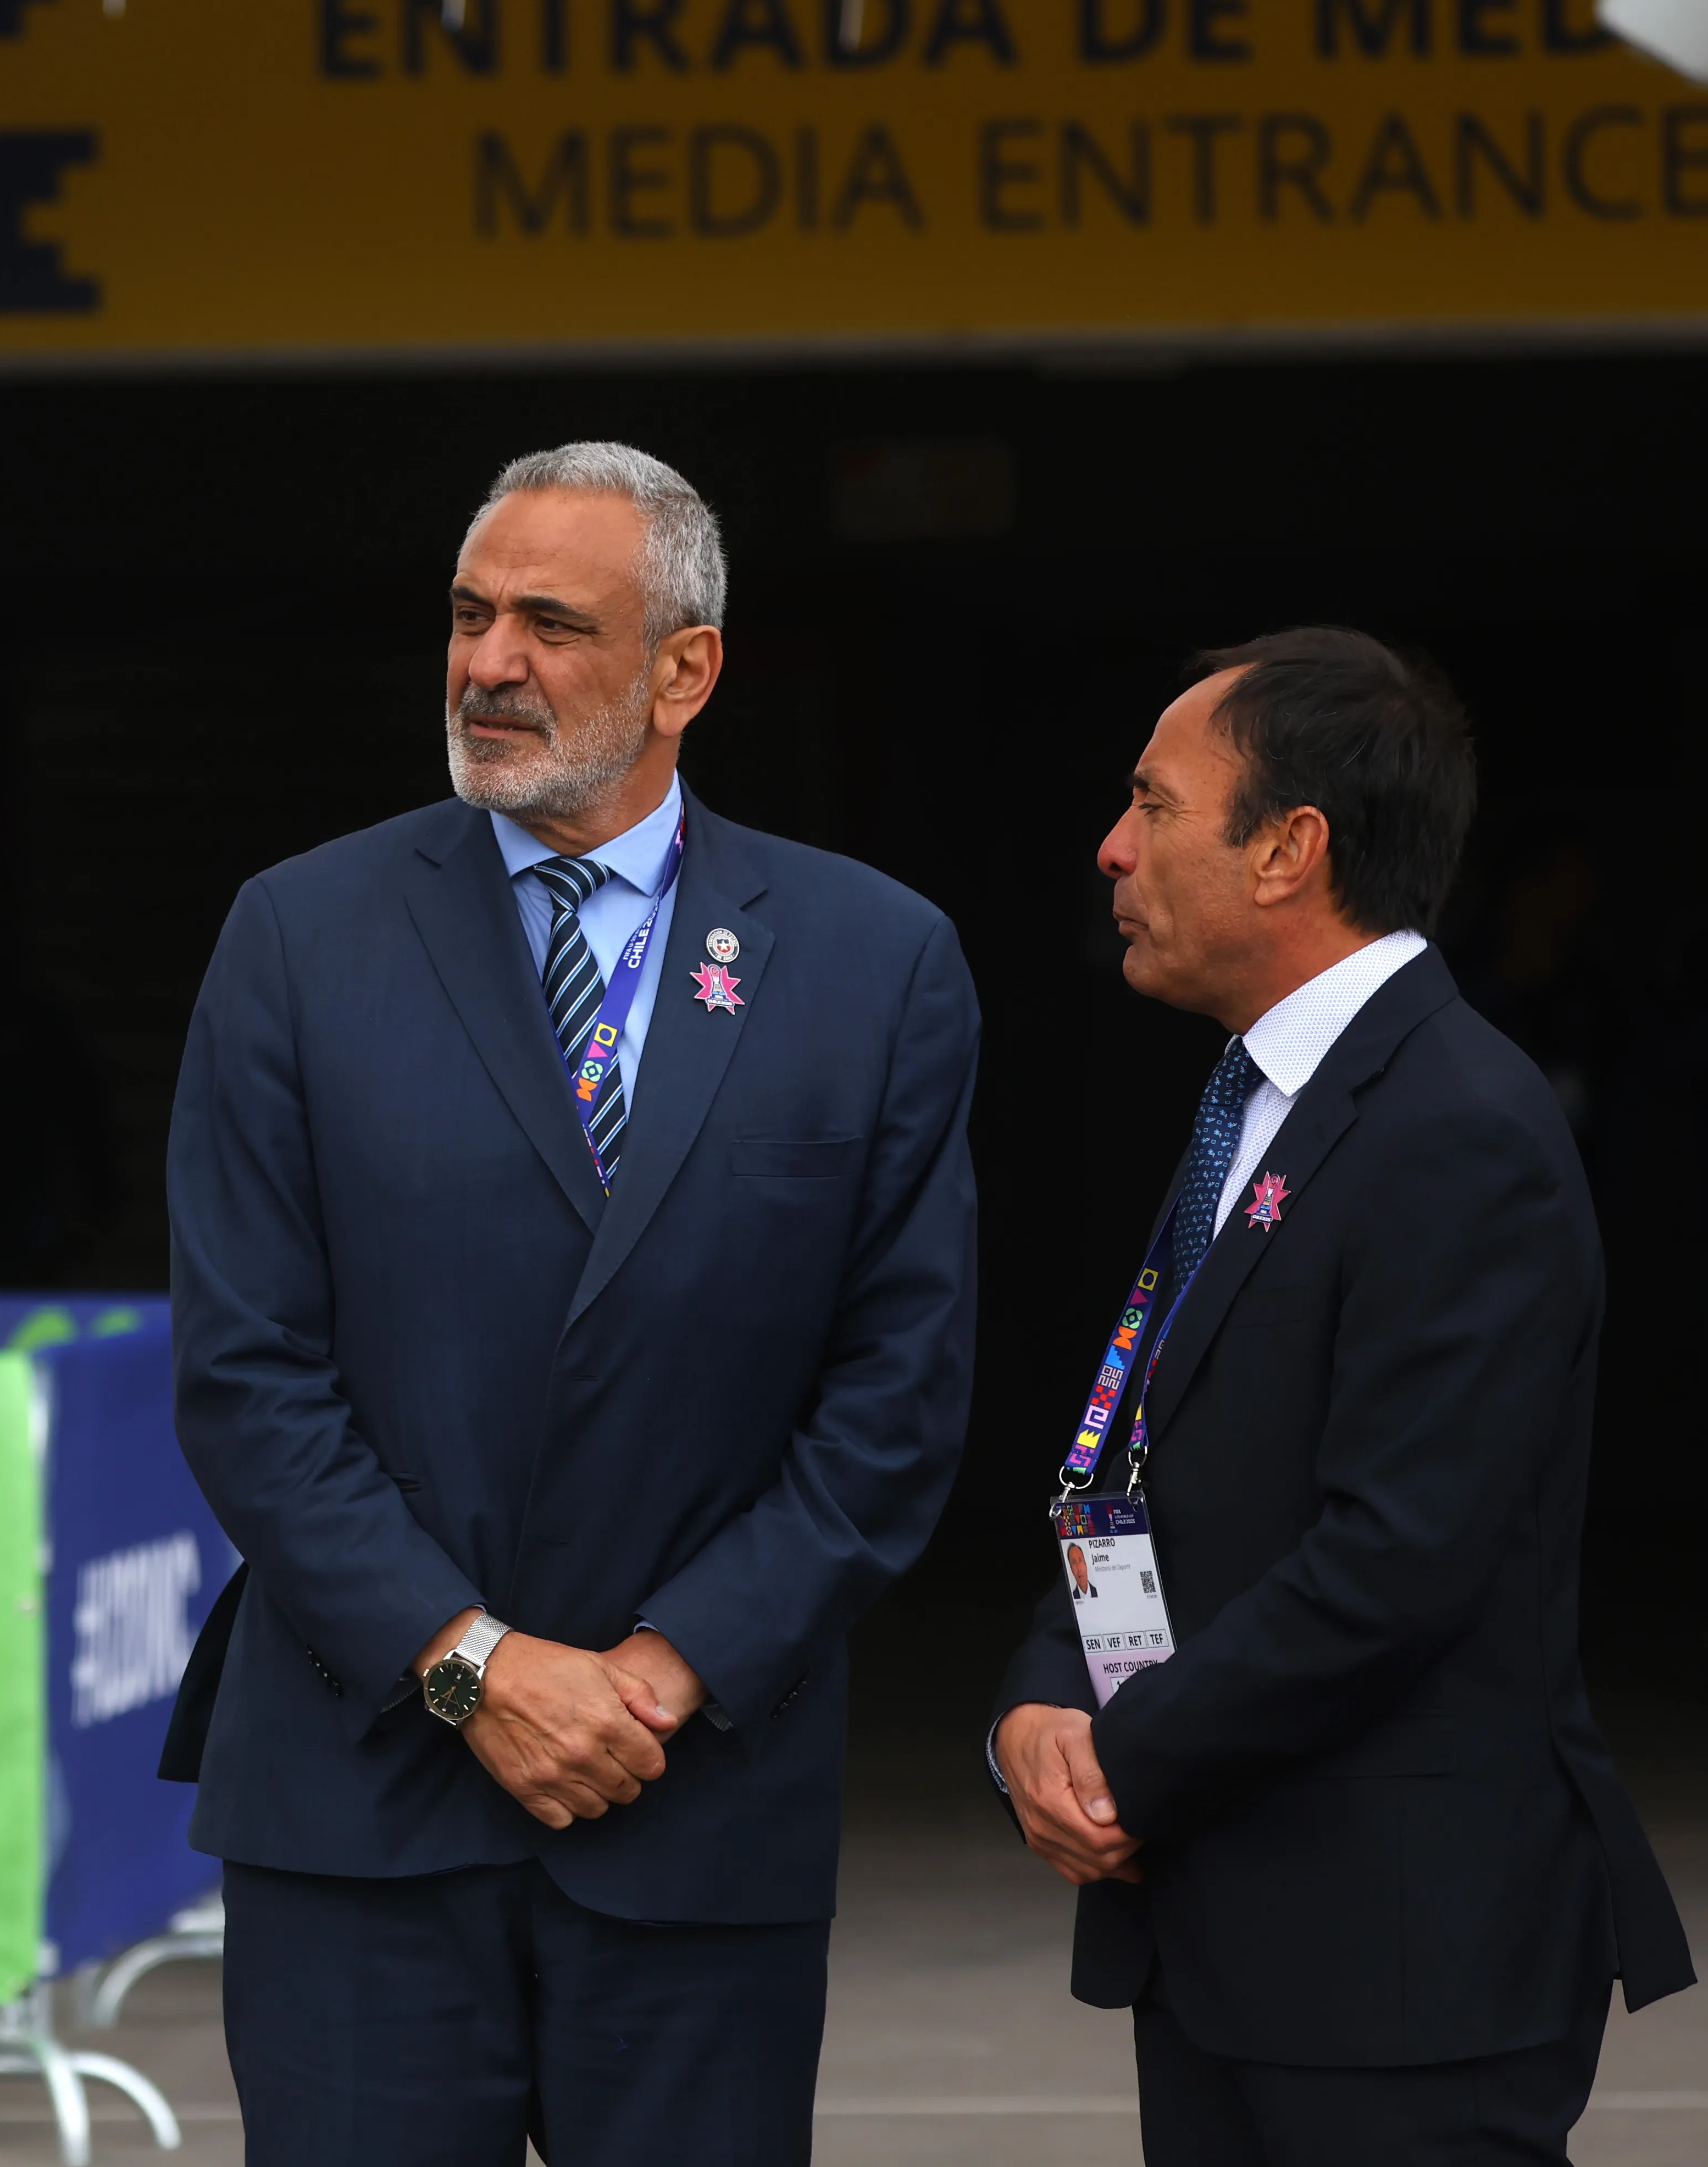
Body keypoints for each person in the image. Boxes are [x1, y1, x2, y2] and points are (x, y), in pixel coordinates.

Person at [162, 442, 981, 2164]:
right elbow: (248, 1370)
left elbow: (894, 1393)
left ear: (688, 669)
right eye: (469, 617)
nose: (488, 664)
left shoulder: (870, 957)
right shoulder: (298, 936)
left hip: (695, 1805)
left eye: (550, 622)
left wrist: (666, 1673)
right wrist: (474, 1670)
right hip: (364, 1804)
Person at [989, 630, 1692, 2164]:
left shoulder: (1457, 1127)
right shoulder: (1253, 1098)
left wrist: (1128, 1754)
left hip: (1399, 1977)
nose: (1110, 848)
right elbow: (1134, 1448)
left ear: (1287, 850)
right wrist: (1050, 1695)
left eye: (1154, 805)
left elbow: (1399, 1559)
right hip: (1223, 1944)